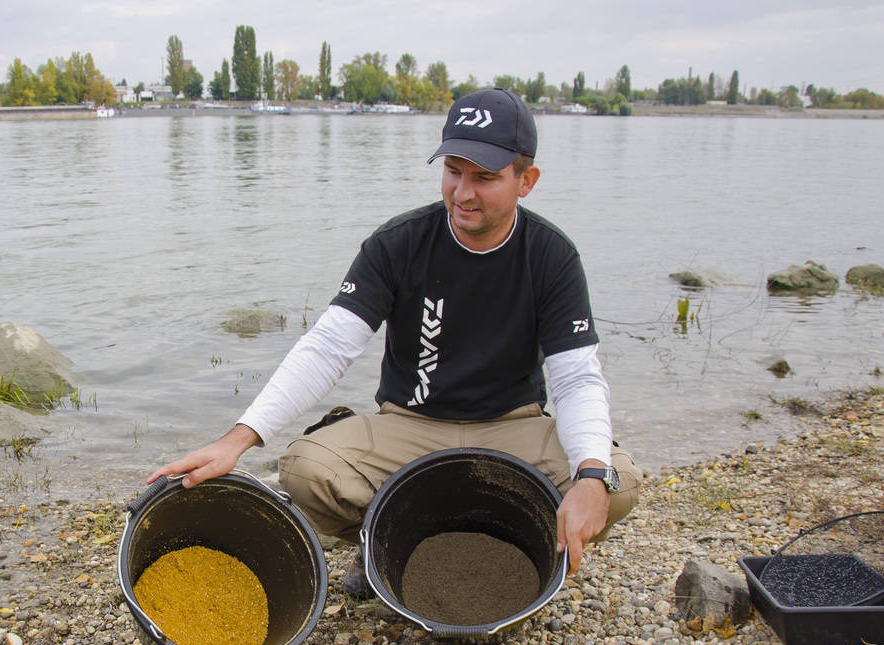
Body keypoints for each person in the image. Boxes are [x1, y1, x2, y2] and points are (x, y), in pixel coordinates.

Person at [150, 87, 642, 590]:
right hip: (411, 424)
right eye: (453, 171)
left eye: (485, 177)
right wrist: (238, 440)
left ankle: (517, 541)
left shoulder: (552, 256)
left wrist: (588, 475)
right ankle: (391, 544)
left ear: (526, 180)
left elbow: (577, 378)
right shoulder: (398, 242)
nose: (463, 193)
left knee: (615, 478)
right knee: (304, 469)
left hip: (512, 428)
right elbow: (327, 347)